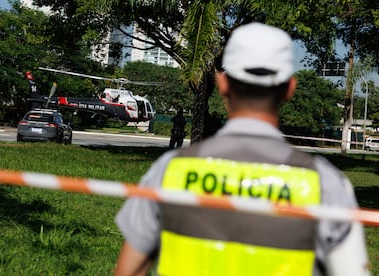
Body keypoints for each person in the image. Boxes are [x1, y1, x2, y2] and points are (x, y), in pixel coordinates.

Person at [114, 22, 370, 276]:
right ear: (290, 88)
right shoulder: (325, 185)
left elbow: (128, 271)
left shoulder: (169, 171)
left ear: (223, 83)